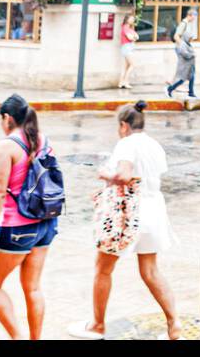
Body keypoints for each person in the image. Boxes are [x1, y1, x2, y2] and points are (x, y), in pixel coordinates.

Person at [69, 101, 179, 340]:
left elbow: (124, 175)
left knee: (102, 269)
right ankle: (174, 325)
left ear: (123, 125)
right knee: (150, 271)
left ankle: (97, 325)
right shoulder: (154, 145)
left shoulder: (126, 144)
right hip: (154, 212)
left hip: (128, 215)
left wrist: (104, 174)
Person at [0, 94, 57, 340]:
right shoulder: (43, 139)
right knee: (33, 287)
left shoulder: (5, 146)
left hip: (18, 228)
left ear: (7, 118)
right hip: (46, 223)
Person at [165, 17, 195, 98]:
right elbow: (185, 54)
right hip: (186, 65)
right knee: (183, 79)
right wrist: (191, 55)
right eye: (190, 38)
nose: (191, 39)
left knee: (191, 77)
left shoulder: (187, 44)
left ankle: (191, 93)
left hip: (190, 64)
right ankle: (170, 89)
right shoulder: (182, 45)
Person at [118, 14, 138, 90]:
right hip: (127, 48)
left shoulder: (129, 28)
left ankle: (121, 82)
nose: (133, 20)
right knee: (132, 65)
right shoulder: (125, 27)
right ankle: (125, 82)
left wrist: (134, 37)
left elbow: (137, 36)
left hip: (127, 48)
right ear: (127, 19)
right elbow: (130, 38)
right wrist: (134, 38)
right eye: (131, 19)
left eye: (133, 19)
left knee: (126, 66)